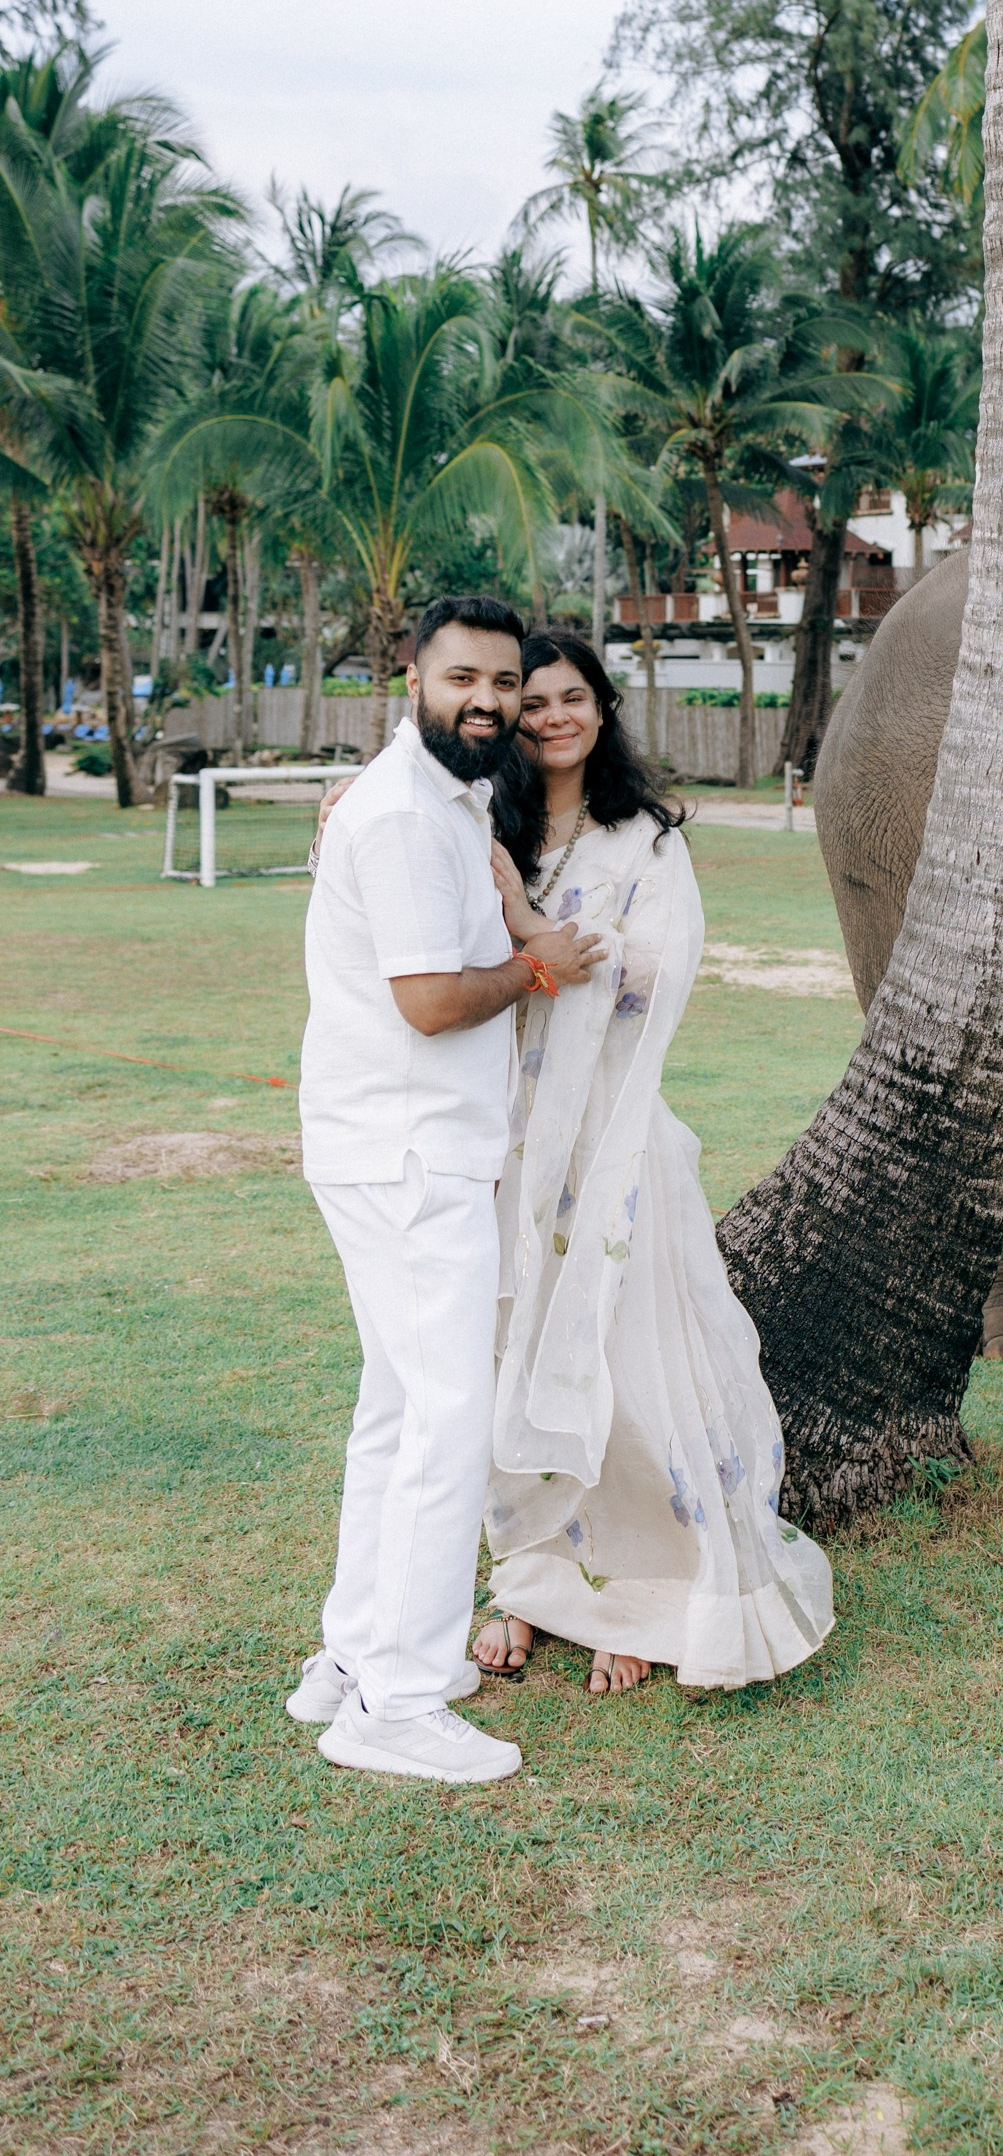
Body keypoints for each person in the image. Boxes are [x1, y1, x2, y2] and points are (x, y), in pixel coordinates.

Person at [472, 629, 834, 1695]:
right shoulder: (484, 826)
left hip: (612, 1133)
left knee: (621, 1361)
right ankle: (532, 1579)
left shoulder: (643, 840)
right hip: (501, 1132)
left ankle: (641, 1593)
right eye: (529, 701)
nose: (550, 718)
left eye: (570, 697)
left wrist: (534, 929)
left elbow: (651, 977)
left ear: (600, 709)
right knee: (513, 1346)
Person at [287, 597, 604, 1786]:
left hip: (394, 1147)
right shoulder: (406, 818)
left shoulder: (440, 799)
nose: (489, 699)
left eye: (504, 682)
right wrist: (536, 968)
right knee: (442, 1423)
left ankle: (349, 1660)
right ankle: (399, 1704)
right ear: (410, 674)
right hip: (410, 1153)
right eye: (462, 676)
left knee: (395, 1410)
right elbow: (427, 1002)